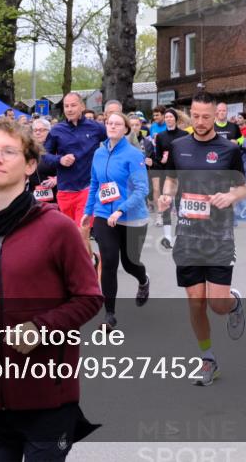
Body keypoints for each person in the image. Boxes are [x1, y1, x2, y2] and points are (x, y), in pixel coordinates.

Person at [0, 119, 103, 460]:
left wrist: (40, 329)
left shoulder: (57, 228)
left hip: (50, 397)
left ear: (30, 165)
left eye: (9, 151)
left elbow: (89, 298)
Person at [157, 92, 246, 387]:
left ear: (215, 116)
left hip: (219, 236)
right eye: (195, 116)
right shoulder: (179, 145)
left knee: (216, 305)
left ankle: (233, 304)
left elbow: (243, 189)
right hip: (188, 236)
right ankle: (207, 359)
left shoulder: (229, 149)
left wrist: (230, 195)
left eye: (205, 117)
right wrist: (167, 196)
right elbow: (171, 180)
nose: (200, 122)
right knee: (196, 302)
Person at [82, 111, 151, 329]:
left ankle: (143, 280)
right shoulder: (99, 153)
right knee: (109, 261)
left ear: (125, 129)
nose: (112, 126)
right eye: (109, 123)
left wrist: (121, 210)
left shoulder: (133, 154)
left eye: (117, 124)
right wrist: (88, 210)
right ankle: (109, 315)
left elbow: (142, 189)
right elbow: (95, 183)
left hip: (132, 217)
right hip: (104, 215)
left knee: (130, 264)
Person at [42, 92, 106, 248]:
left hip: (87, 188)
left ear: (82, 107)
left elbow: (114, 143)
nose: (69, 109)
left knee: (81, 232)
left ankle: (84, 270)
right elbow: (44, 155)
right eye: (66, 106)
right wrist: (60, 160)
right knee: (69, 235)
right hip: (65, 190)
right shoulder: (57, 130)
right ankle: (87, 262)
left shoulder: (96, 128)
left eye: (73, 105)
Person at [153, 109, 188, 248]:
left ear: (175, 119)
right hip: (166, 174)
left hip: (180, 174)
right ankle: (167, 236)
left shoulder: (184, 135)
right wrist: (162, 159)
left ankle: (178, 236)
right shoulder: (160, 136)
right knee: (166, 203)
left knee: (180, 204)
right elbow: (157, 157)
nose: (168, 119)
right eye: (166, 117)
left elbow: (187, 154)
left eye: (170, 117)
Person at [29, 118, 58, 203]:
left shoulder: (58, 148)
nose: (38, 133)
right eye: (35, 130)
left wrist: (57, 179)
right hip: (32, 194)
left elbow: (70, 169)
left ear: (49, 131)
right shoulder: (27, 149)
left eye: (42, 130)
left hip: (55, 194)